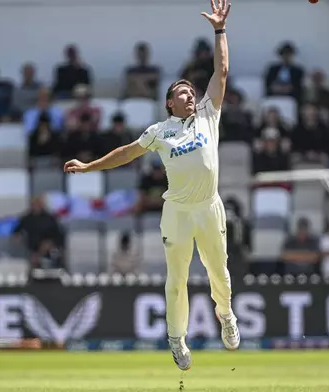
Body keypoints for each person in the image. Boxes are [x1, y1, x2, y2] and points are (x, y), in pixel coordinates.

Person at [63, 0, 238, 370]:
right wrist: (89, 167)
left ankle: (226, 315)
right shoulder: (159, 131)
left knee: (218, 272)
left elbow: (220, 72)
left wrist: (219, 31)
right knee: (177, 279)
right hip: (176, 211)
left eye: (192, 91)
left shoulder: (209, 115)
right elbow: (127, 153)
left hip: (209, 206)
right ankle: (177, 338)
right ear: (169, 103)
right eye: (183, 93)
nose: (190, 95)